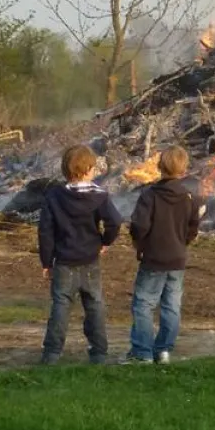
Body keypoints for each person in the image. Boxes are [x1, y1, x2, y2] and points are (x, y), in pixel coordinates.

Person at [38, 144, 122, 365]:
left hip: (63, 261)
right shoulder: (99, 196)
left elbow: (45, 231)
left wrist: (46, 262)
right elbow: (114, 222)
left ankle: (52, 354)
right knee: (95, 305)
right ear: (89, 169)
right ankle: (99, 353)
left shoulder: (54, 196)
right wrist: (106, 242)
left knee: (60, 306)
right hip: (90, 260)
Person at [123, 145, 200, 365]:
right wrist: (182, 242)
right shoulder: (189, 197)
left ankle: (142, 352)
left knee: (144, 304)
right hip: (177, 258)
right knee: (171, 305)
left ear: (159, 167)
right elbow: (193, 227)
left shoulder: (150, 195)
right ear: (184, 169)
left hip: (153, 258)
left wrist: (139, 243)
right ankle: (164, 350)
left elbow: (139, 225)